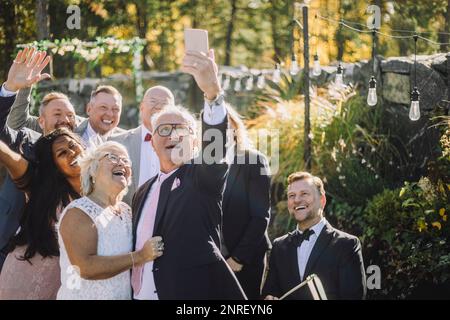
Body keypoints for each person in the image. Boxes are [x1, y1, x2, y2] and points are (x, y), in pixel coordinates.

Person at [131, 49, 246, 300]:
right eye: (163, 129)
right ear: (152, 142)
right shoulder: (142, 192)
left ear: (195, 142)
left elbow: (215, 155)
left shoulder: (203, 177)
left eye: (179, 129)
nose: (172, 134)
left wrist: (213, 94)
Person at [57, 141, 162, 300]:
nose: (122, 163)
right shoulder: (78, 212)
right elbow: (85, 267)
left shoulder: (127, 211)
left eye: (126, 161)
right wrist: (140, 256)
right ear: (93, 170)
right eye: (112, 157)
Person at [0, 127, 84, 299]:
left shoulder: (102, 186)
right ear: (54, 166)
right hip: (26, 277)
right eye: (62, 153)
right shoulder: (40, 188)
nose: (72, 153)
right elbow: (13, 160)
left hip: (69, 284)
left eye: (73, 145)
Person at [262, 171, 367, 300]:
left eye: (304, 194)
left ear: (322, 200)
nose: (297, 200)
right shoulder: (279, 246)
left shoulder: (347, 245)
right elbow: (270, 293)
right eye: (291, 195)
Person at [0, 47, 57, 270]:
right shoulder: (26, 141)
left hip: (50, 256)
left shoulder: (77, 157)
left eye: (70, 116)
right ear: (41, 121)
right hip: (7, 239)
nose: (65, 119)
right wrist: (11, 88)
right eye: (57, 114)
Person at [221, 105, 272, 300]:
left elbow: (261, 216)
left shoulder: (254, 160)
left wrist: (238, 258)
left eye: (225, 124)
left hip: (245, 259)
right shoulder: (202, 164)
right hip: (213, 260)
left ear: (235, 128)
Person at [110, 86, 175, 205]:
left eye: (165, 103)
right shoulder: (118, 142)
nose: (159, 106)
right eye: (153, 101)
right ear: (142, 107)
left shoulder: (184, 146)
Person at [7, 84, 125, 147]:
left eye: (115, 109)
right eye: (103, 107)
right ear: (89, 109)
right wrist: (24, 86)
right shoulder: (60, 126)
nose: (110, 114)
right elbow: (18, 123)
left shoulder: (126, 138)